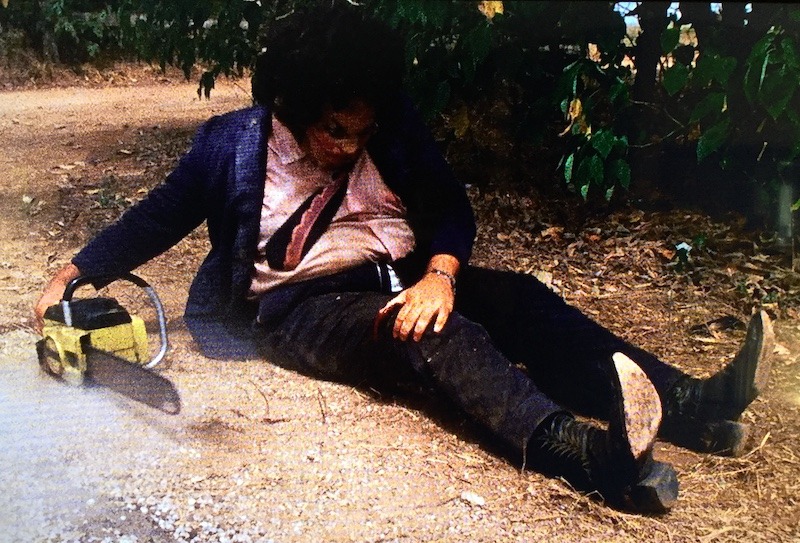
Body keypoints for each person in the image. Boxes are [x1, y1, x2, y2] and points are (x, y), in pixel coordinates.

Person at [34, 1, 773, 514]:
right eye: (335, 129)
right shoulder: (229, 145)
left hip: (403, 272)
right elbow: (158, 215)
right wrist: (73, 272)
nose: (351, 145)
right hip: (301, 305)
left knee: (522, 301)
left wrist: (442, 275)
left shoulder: (389, 124)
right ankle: (590, 457)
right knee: (433, 337)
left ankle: (694, 406)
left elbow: (449, 206)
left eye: (363, 130)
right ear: (292, 108)